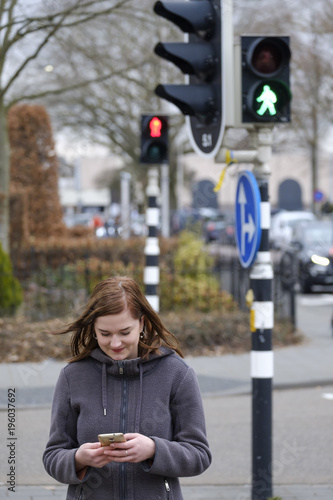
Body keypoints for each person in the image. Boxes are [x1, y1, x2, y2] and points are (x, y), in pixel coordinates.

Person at [43, 276, 212, 500]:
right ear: (93, 328)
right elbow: (53, 456)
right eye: (105, 333)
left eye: (124, 332)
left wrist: (154, 450)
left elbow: (199, 455)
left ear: (141, 323)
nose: (115, 343)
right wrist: (78, 459)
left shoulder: (177, 374)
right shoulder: (72, 377)